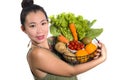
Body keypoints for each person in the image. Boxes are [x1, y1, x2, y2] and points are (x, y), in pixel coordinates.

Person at [20, 0, 107, 80]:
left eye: (43, 23)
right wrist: (102, 58)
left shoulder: (54, 41)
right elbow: (71, 71)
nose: (40, 31)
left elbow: (75, 59)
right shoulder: (37, 54)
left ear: (47, 22)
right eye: (32, 26)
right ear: (23, 29)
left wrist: (92, 56)